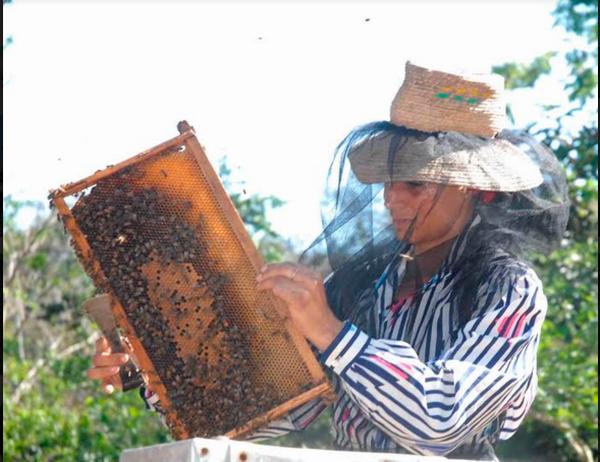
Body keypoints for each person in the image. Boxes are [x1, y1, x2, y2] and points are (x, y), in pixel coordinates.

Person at [88, 62, 569, 460]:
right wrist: (152, 368)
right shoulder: (363, 283)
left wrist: (334, 334)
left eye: (414, 184)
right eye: (388, 182)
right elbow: (270, 410)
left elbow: (439, 421)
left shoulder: (509, 290)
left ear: (474, 188)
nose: (390, 200)